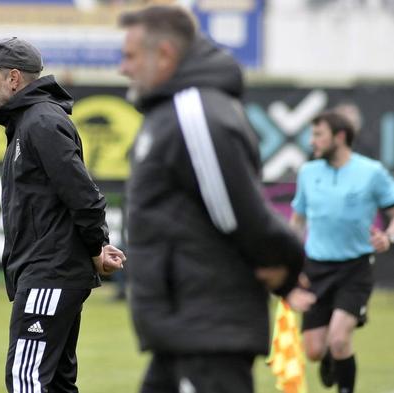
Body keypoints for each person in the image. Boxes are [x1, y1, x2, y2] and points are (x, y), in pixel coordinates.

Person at [118, 6, 315, 393]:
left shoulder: (192, 113)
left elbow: (237, 214)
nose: (123, 67)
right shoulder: (171, 111)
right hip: (186, 331)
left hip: (207, 332)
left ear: (165, 55)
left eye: (130, 56)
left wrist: (287, 264)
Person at [0, 37, 125, 393]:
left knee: (27, 379)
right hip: (50, 272)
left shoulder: (41, 122)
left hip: (49, 274)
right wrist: (96, 250)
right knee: (56, 384)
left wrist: (97, 246)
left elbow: (85, 197)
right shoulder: (30, 122)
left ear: (14, 79)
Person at [290, 111, 394, 393]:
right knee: (313, 350)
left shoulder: (371, 172)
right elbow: (297, 221)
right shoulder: (308, 173)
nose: (313, 141)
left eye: (318, 135)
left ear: (339, 137)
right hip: (316, 268)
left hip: (354, 268)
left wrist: (388, 237)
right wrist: (289, 261)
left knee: (339, 339)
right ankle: (329, 359)